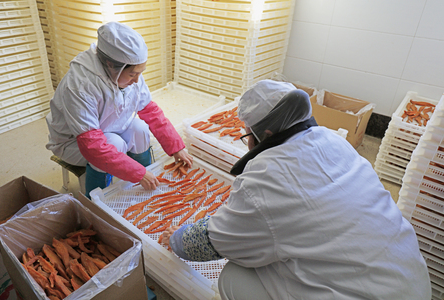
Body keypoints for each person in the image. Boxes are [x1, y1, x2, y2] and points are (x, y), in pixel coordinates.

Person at [162, 79, 431, 300]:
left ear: (264, 134)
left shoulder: (265, 178)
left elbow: (217, 240)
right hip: (413, 283)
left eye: (247, 135)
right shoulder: (333, 140)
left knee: (234, 276)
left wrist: (177, 240)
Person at [45, 22, 192, 196]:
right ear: (111, 65)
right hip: (74, 141)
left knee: (140, 129)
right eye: (132, 74)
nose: (137, 80)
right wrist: (137, 173)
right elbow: (92, 145)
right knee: (114, 144)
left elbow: (150, 112)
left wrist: (176, 147)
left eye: (140, 73)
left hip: (108, 126)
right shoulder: (81, 84)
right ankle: (98, 200)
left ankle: (147, 181)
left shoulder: (127, 73)